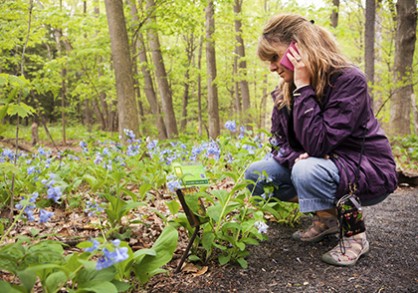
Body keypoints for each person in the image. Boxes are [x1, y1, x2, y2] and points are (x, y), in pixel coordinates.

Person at [245, 13, 398, 266]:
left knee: (308, 169)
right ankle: (327, 218)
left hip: (366, 170)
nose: (272, 67)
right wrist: (297, 156)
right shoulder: (283, 92)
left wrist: (303, 87)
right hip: (320, 167)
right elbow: (278, 144)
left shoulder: (349, 81)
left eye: (274, 57)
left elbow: (320, 143)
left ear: (297, 49)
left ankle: (355, 234)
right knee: (257, 175)